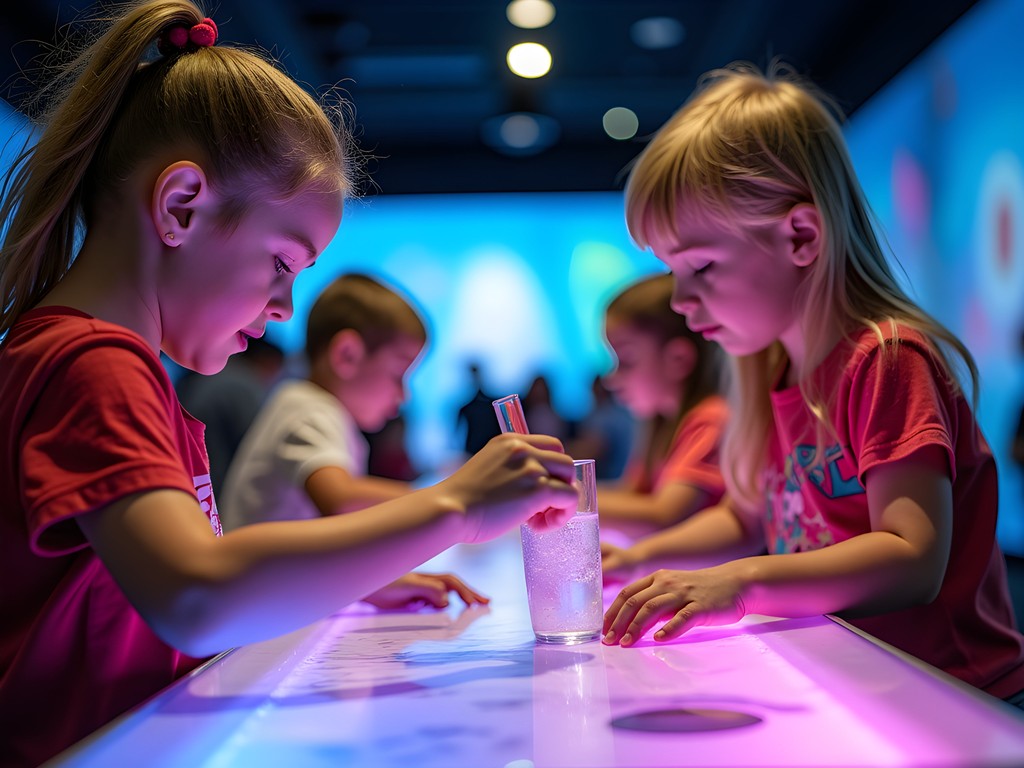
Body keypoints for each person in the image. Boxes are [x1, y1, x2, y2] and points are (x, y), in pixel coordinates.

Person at [0, 3, 577, 765]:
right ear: (180, 207)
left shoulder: (103, 360)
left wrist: (340, 578)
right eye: (281, 263)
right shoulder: (92, 362)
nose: (283, 309)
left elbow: (152, 586)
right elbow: (195, 595)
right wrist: (457, 506)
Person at [599, 61, 1024, 707]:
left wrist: (742, 584)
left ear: (801, 235)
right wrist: (640, 561)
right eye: (672, 273)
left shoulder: (885, 358)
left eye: (701, 267)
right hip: (858, 682)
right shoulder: (771, 369)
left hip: (953, 697)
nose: (681, 301)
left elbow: (912, 556)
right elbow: (744, 516)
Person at [219, 273, 485, 610]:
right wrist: (456, 499)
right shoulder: (308, 408)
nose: (403, 395)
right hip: (254, 614)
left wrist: (373, 583)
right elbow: (341, 500)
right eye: (398, 374)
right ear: (347, 356)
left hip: (269, 603)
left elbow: (314, 545)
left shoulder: (315, 409)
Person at [595, 272, 728, 541]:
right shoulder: (662, 424)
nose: (610, 378)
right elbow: (633, 495)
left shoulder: (711, 419)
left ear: (678, 359)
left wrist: (562, 497)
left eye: (626, 359)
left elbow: (664, 517)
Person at [175, 335, 285, 496]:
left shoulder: (204, 377)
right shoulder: (241, 386)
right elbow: (260, 444)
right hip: (215, 490)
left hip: (187, 483)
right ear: (267, 361)